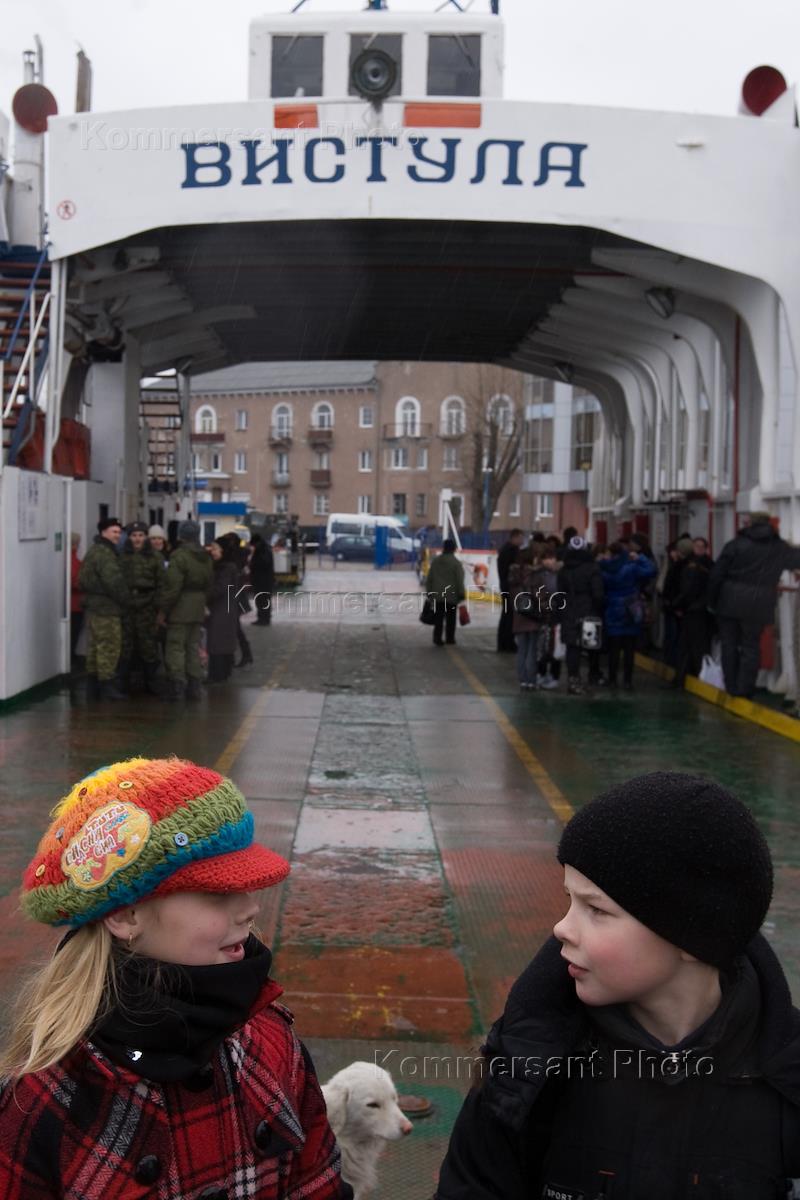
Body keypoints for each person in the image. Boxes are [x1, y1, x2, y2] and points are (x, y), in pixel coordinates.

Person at [0, 756, 351, 1199]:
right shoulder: (48, 1097)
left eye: (244, 887)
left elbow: (317, 1181)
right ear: (126, 915)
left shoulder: (271, 1041)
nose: (250, 908)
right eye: (216, 893)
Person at [436, 772, 800, 1198]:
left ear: (694, 937)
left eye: (596, 910)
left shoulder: (787, 1085)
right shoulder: (529, 1066)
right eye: (570, 900)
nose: (561, 928)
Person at [708, 511, 800, 699]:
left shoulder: (735, 544)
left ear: (749, 523)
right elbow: (796, 560)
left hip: (729, 600)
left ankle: (731, 686)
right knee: (751, 646)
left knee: (729, 644)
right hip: (759, 603)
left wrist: (711, 601)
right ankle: (745, 689)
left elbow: (716, 575)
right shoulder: (779, 547)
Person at [158, 519, 213, 702]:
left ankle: (177, 686)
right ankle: (194, 686)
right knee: (192, 647)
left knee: (175, 648)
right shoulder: (205, 556)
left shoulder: (179, 556)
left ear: (181, 536)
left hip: (180, 607)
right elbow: (209, 584)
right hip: (197, 607)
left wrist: (163, 611)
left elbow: (172, 587)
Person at [78, 517, 131, 700]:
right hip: (107, 608)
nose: (117, 535)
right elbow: (114, 582)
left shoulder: (93, 551)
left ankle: (93, 687)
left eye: (119, 532)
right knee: (109, 646)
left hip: (93, 608)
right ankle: (107, 686)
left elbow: (82, 580)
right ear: (103, 532)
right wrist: (126, 600)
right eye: (114, 532)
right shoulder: (106, 554)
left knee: (94, 647)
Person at [599, 541, 657, 690]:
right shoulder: (631, 568)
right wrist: (640, 557)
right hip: (631, 609)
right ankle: (628, 681)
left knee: (614, 649)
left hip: (612, 608)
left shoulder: (604, 568)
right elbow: (651, 570)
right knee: (629, 649)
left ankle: (612, 679)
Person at [119, 520, 163, 695]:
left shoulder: (155, 557)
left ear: (146, 537)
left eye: (141, 535)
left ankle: (150, 683)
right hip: (127, 606)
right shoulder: (122, 557)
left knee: (148, 645)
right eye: (134, 535)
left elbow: (161, 584)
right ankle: (124, 684)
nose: (137, 539)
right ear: (129, 537)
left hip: (148, 607)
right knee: (126, 645)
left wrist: (158, 608)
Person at [558, 535, 604, 694]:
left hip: (569, 610)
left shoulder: (564, 570)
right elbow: (598, 593)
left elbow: (559, 594)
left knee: (572, 646)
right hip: (588, 610)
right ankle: (593, 675)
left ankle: (573, 679)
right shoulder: (592, 568)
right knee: (591, 645)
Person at [508, 546, 548, 690]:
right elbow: (541, 596)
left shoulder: (513, 576)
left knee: (521, 650)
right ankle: (531, 680)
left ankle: (522, 680)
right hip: (533, 617)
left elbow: (512, 597)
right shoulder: (536, 576)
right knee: (532, 650)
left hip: (519, 616)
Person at [206, 538, 240, 683]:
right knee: (223, 642)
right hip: (224, 608)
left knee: (217, 642)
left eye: (215, 549)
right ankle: (223, 673)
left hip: (221, 610)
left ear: (223, 550)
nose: (212, 551)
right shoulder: (225, 566)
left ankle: (217, 675)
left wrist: (203, 594)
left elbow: (219, 589)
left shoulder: (225, 568)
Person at [425, 539, 466, 646]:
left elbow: (430, 578)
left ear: (443, 548)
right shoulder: (456, 563)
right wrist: (462, 593)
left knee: (439, 617)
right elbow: (459, 580)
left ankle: (437, 637)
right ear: (454, 549)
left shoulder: (436, 561)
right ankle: (450, 638)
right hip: (451, 596)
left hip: (438, 595)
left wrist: (429, 591)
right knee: (451, 618)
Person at [497, 529, 524, 653]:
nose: (522, 541)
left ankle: (504, 642)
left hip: (505, 586)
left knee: (507, 614)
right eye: (520, 538)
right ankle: (507, 642)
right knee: (509, 615)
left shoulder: (505, 550)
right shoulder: (511, 551)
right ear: (515, 537)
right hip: (510, 587)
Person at [250, 533, 276, 626]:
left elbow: (264, 563)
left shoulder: (264, 550)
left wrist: (253, 564)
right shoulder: (263, 549)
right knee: (260, 600)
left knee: (263, 600)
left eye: (254, 545)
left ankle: (264, 619)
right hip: (261, 580)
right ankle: (261, 618)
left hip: (264, 581)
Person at [69, 533, 84, 663]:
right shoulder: (74, 562)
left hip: (72, 604)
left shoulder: (67, 560)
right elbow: (75, 582)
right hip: (75, 604)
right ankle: (71, 657)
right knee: (74, 632)